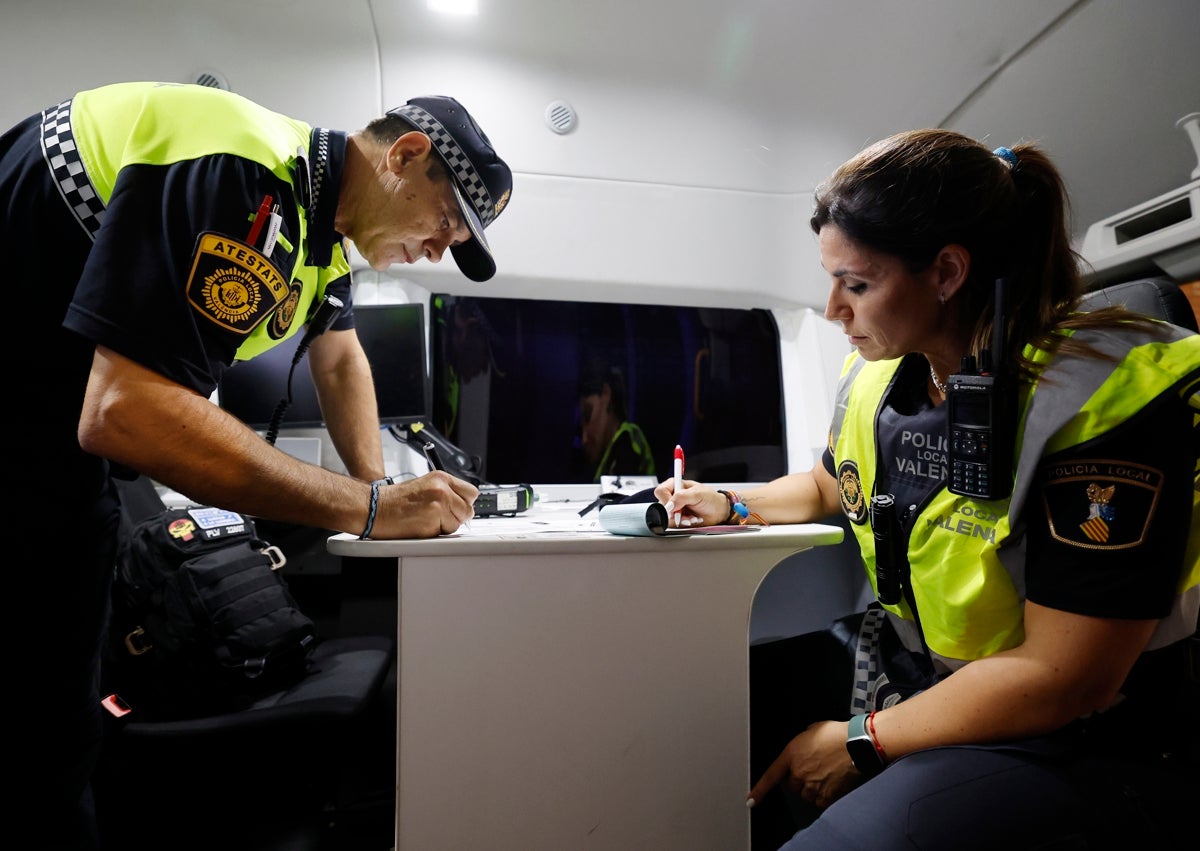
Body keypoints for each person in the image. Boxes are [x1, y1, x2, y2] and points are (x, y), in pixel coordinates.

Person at [2, 81, 512, 849]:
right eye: (446, 222)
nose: (442, 249)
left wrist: (379, 486)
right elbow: (124, 411)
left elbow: (340, 357)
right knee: (44, 739)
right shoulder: (245, 174)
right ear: (406, 155)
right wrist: (365, 509)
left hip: (49, 423)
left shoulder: (317, 228)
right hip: (26, 416)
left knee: (64, 723)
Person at [659, 129, 1199, 849]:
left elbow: (1066, 678)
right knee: (726, 712)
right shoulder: (886, 375)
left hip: (1079, 732)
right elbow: (830, 483)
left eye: (857, 284)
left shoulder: (1100, 397)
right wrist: (730, 504)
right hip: (939, 683)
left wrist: (859, 740)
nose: (832, 310)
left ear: (946, 272)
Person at [577, 355, 657, 482]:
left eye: (588, 415)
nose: (584, 439)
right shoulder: (607, 453)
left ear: (606, 394)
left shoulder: (627, 442)